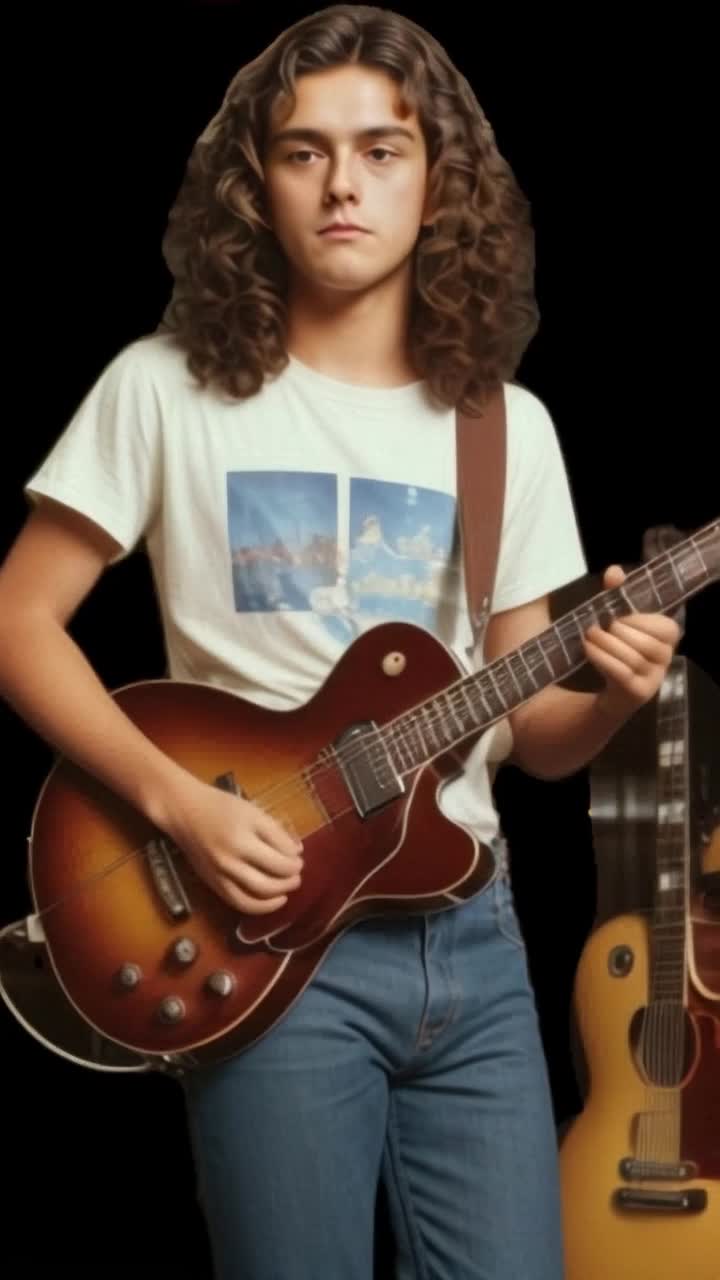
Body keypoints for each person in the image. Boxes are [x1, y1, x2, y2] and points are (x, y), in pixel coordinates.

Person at [0, 7, 681, 1278]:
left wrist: (612, 695)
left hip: (472, 944)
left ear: (441, 179)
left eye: (383, 149)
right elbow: (18, 620)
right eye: (305, 151)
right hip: (263, 938)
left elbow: (530, 735)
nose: (345, 184)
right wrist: (178, 807)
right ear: (255, 183)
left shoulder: (503, 427)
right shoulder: (164, 387)